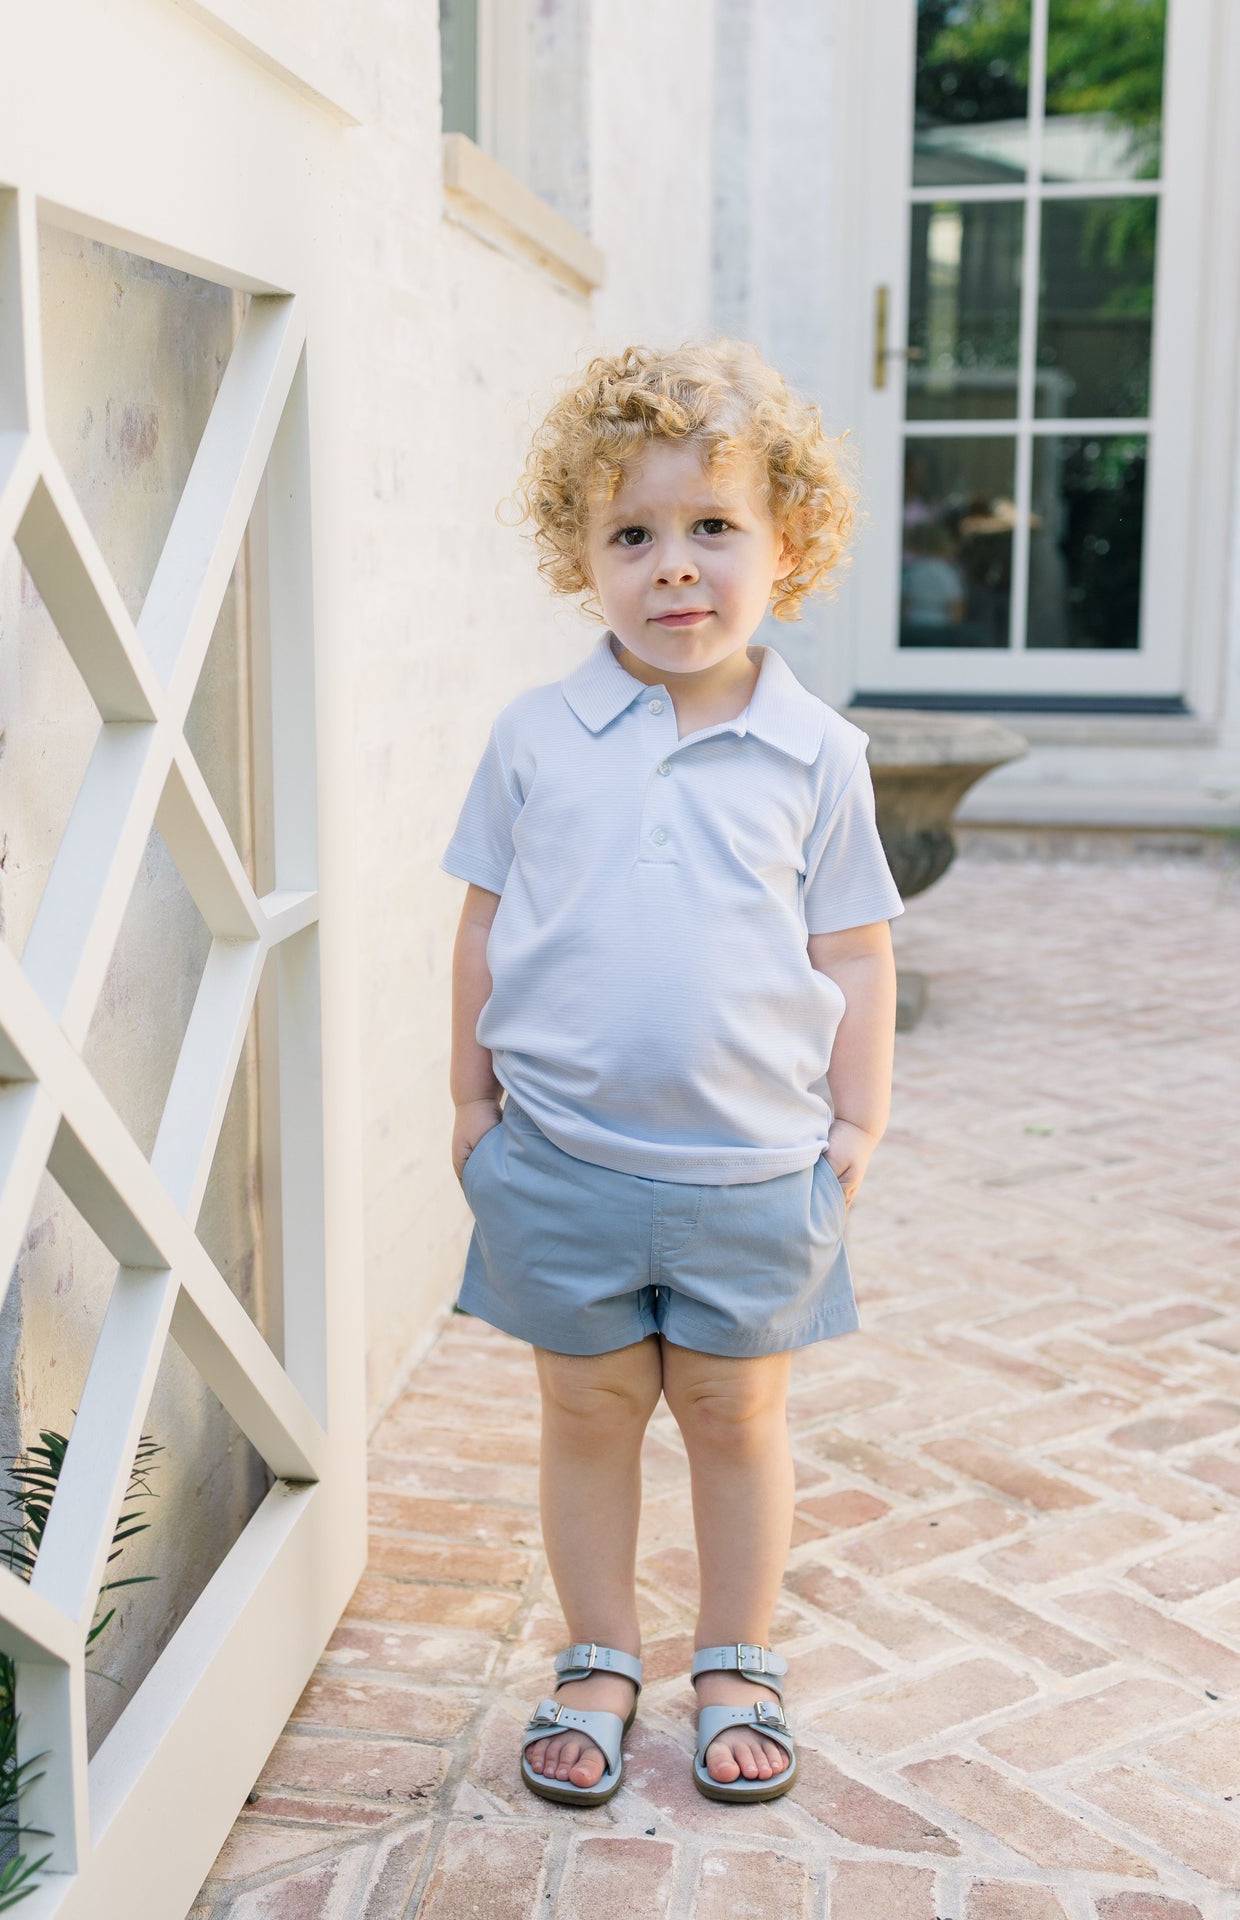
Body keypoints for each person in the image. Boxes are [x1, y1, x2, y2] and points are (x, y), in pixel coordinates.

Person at [441, 340, 904, 1808]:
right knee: (583, 1416)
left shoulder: (817, 754)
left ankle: (735, 1656)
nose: (675, 568)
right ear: (583, 558)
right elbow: (483, 924)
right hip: (563, 1161)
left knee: (733, 1415)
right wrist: (467, 1105)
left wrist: (857, 1119)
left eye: (714, 527)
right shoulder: (537, 738)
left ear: (790, 543)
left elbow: (859, 950)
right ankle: (595, 1650)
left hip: (752, 1173)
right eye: (631, 535)